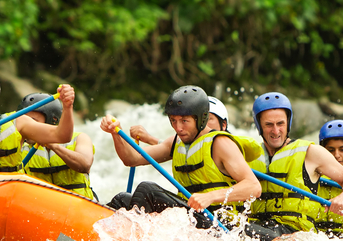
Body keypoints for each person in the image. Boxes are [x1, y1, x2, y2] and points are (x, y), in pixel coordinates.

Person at [99, 85, 261, 229]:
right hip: (190, 215)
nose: (178, 127)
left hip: (220, 223)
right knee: (122, 199)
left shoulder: (220, 143)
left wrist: (210, 197)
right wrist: (116, 133)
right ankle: (97, 231)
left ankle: (134, 238)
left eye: (184, 121)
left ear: (201, 119)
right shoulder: (176, 142)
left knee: (147, 190)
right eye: (173, 121)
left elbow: (254, 187)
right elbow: (131, 159)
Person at [247, 92, 343, 241]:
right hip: (257, 227)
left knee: (245, 233)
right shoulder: (249, 155)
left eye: (280, 124)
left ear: (288, 123)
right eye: (268, 125)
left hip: (294, 233)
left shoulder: (311, 153)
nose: (275, 131)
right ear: (259, 125)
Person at [19, 92, 97, 201]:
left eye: (33, 121)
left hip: (79, 205)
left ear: (52, 121)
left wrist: (54, 146)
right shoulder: (21, 146)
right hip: (42, 207)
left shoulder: (79, 138)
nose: (27, 126)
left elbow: (84, 165)